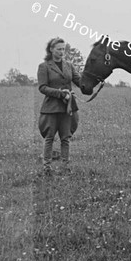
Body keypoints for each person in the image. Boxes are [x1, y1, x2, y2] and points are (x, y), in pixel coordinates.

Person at [37, 37, 81, 176]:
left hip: (67, 107)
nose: (62, 52)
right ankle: (47, 168)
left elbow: (80, 82)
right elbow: (42, 88)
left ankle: (65, 167)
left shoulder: (69, 65)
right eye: (59, 49)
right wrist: (61, 94)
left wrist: (94, 81)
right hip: (51, 107)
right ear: (51, 50)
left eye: (63, 49)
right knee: (49, 138)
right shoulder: (44, 66)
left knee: (65, 138)